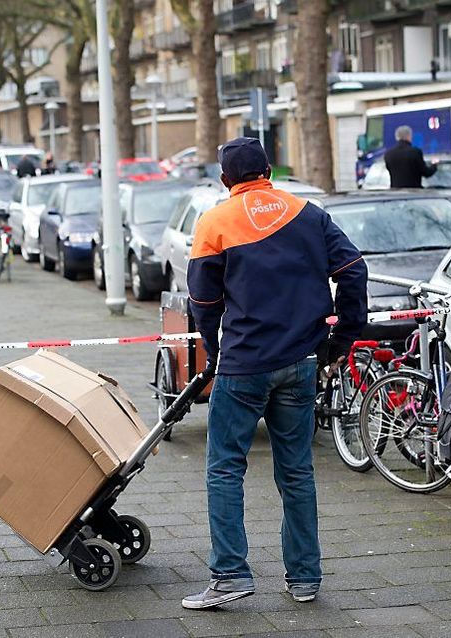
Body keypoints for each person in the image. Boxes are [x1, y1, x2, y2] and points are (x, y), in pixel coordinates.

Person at [182, 137, 368, 610]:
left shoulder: (214, 222)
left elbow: (202, 301)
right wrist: (341, 338)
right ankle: (305, 578)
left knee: (225, 468)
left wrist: (214, 345)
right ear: (269, 170)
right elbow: (353, 270)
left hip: (244, 365)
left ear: (225, 180)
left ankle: (230, 575)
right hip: (300, 363)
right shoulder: (309, 214)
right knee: (297, 470)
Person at [383, 125, 437, 189]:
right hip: (414, 193)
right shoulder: (415, 152)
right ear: (409, 136)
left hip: (395, 194)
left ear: (397, 137)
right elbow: (426, 173)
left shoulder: (388, 154)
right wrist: (434, 164)